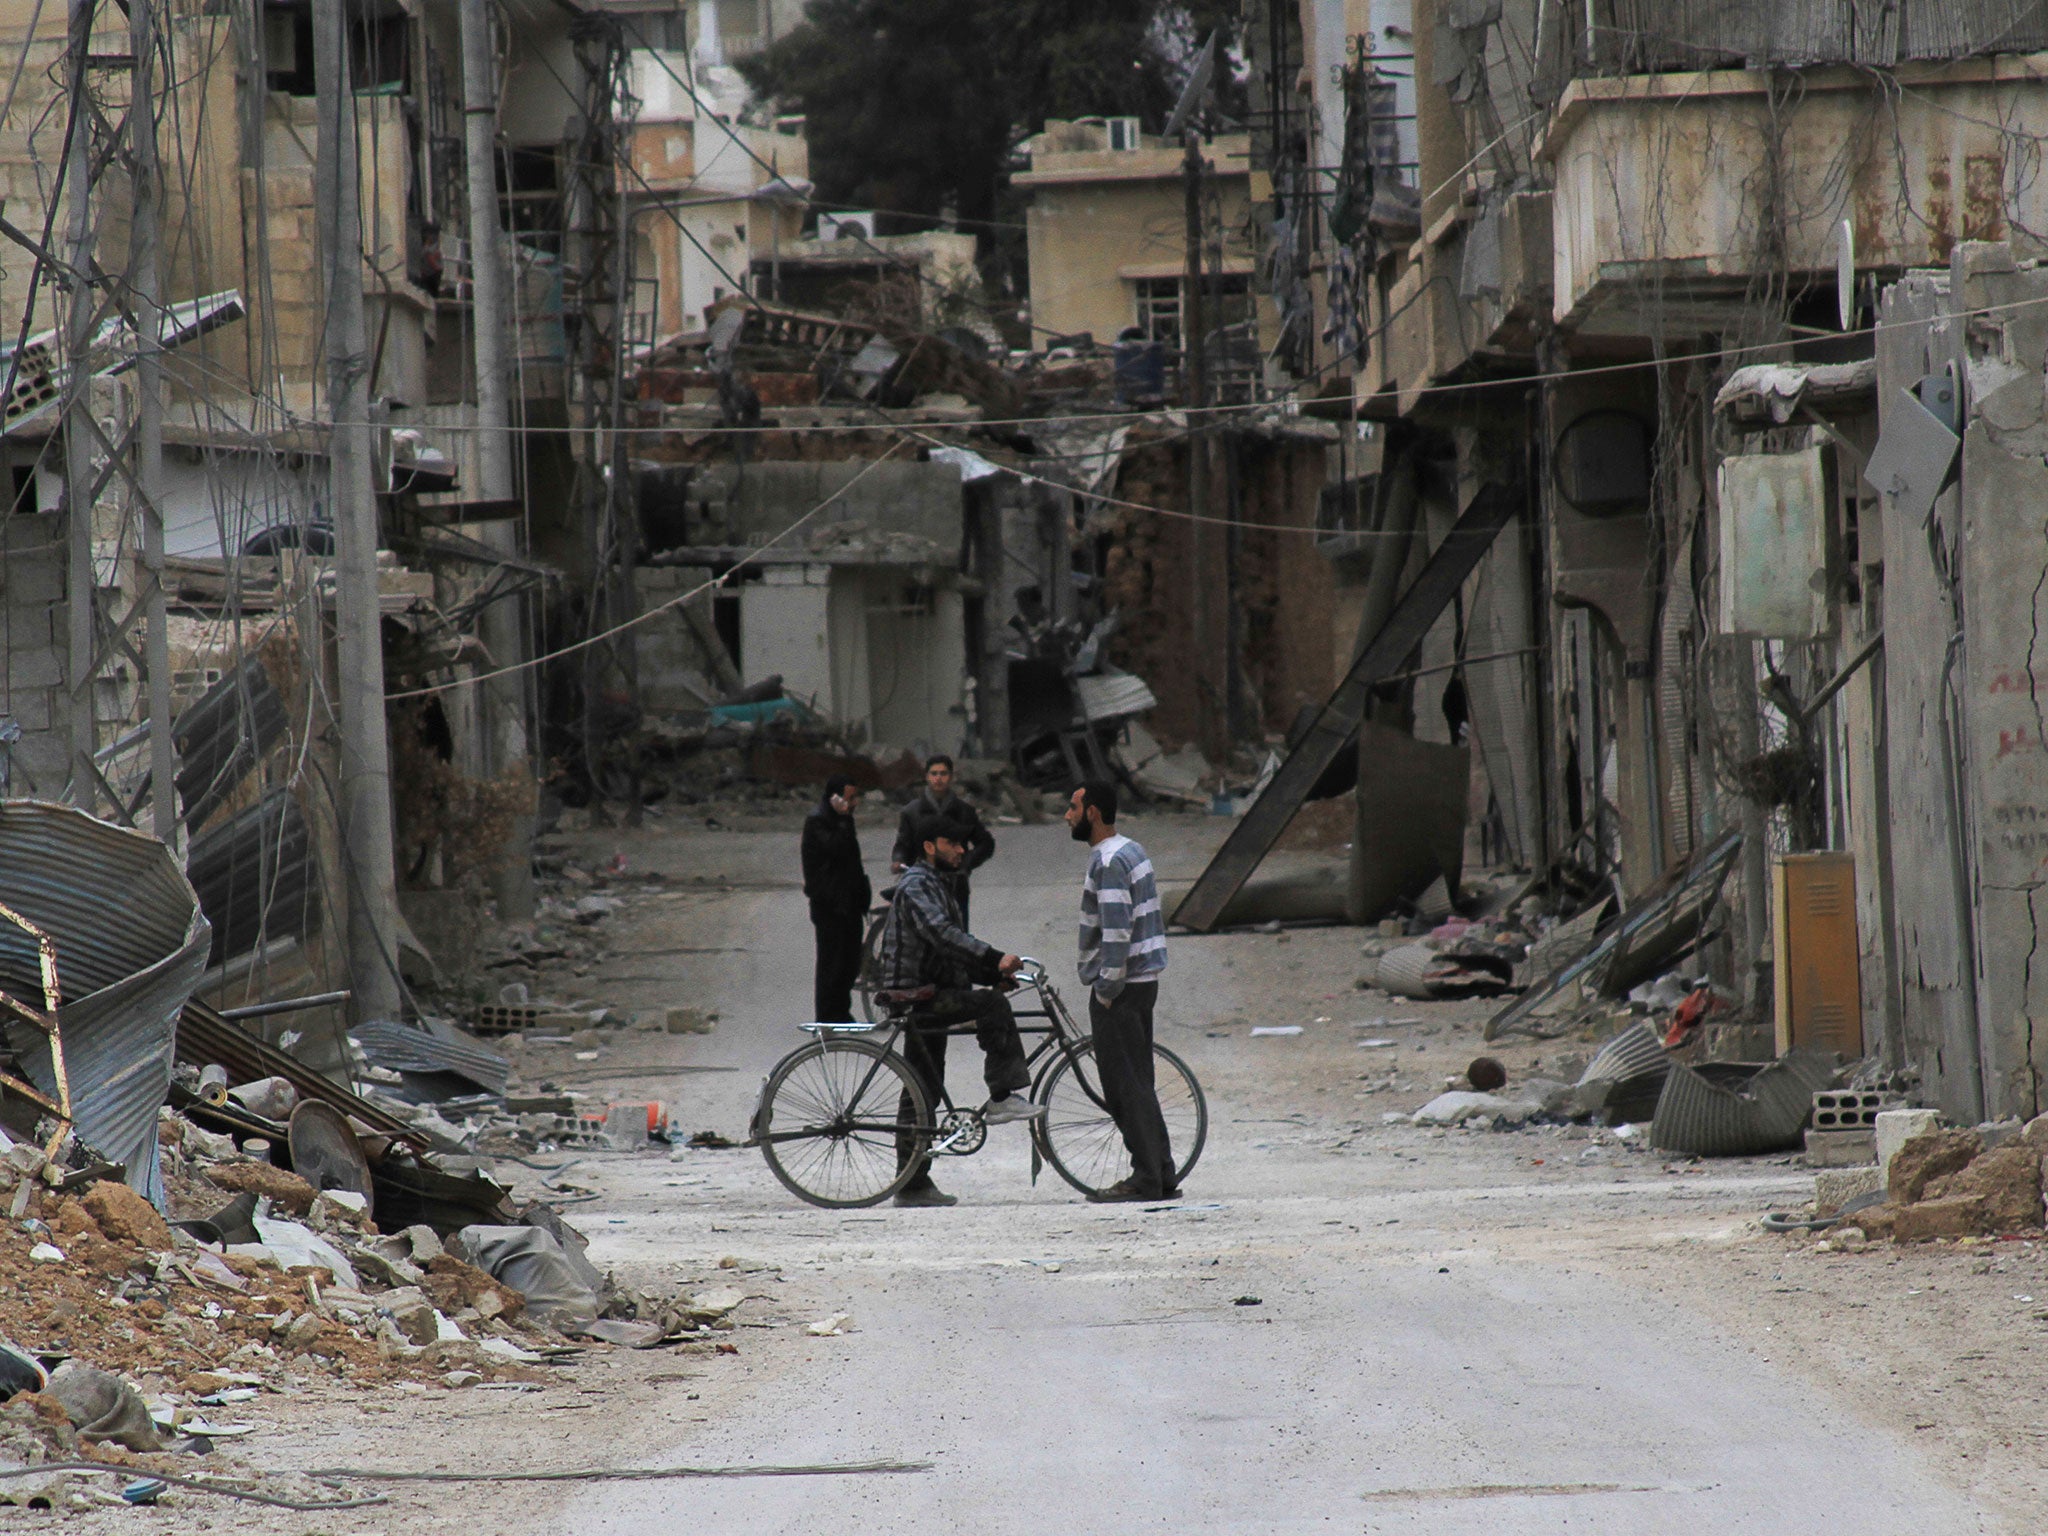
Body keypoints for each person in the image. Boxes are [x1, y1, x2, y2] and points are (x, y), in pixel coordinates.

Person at [880, 810, 1043, 1208]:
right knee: (987, 1007)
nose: (962, 850)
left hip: (932, 989)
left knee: (923, 1087)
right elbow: (943, 935)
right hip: (917, 994)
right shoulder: (917, 885)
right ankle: (1002, 1096)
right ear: (930, 847)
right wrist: (994, 958)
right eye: (954, 843)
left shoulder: (938, 883)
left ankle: (913, 1183)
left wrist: (991, 971)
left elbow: (953, 950)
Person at [1066, 779, 1177, 1202]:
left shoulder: (1109, 861)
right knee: (1140, 1081)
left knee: (1123, 1086)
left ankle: (1145, 1178)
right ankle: (1161, 1172)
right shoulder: (1132, 848)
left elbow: (1117, 928)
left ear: (1092, 812)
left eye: (1074, 807)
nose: (1068, 815)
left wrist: (1107, 987)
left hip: (1123, 986)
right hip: (1143, 983)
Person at [890, 754, 995, 927]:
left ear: (951, 777)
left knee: (959, 938)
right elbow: (903, 843)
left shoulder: (964, 811)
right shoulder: (911, 812)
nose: (938, 779)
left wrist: (965, 863)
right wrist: (898, 860)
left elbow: (985, 843)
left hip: (955, 885)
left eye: (943, 774)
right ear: (926, 777)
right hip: (921, 885)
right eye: (934, 773)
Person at [801, 774, 872, 1023]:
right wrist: (842, 820)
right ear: (835, 798)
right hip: (830, 905)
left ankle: (841, 1012)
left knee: (850, 962)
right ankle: (828, 1016)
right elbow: (836, 849)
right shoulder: (818, 822)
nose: (853, 804)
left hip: (849, 903)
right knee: (832, 964)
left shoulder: (844, 821)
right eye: (849, 798)